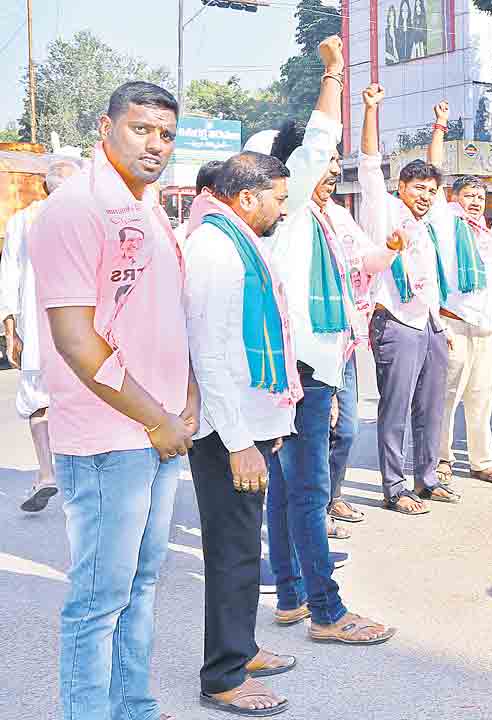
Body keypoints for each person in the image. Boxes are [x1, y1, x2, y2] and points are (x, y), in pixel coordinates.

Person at [30, 80, 197, 720]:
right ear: (106, 129)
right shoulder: (77, 208)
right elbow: (75, 338)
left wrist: (185, 398)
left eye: (166, 134)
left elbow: (163, 316)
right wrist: (157, 420)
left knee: (143, 585)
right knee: (99, 601)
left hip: (157, 431)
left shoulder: (148, 206)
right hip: (109, 439)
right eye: (141, 129)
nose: (155, 144)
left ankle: (135, 707)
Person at [263, 36, 396, 645]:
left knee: (289, 486)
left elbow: (350, 277)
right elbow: (316, 138)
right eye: (324, 164)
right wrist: (334, 76)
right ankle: (326, 610)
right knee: (308, 487)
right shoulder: (289, 210)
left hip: (314, 363)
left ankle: (291, 595)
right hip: (300, 370)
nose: (331, 170)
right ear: (294, 170)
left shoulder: (318, 217)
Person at [183, 151, 301, 716]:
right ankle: (222, 676)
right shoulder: (214, 248)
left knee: (241, 549)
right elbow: (210, 354)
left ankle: (242, 647)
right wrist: (239, 441)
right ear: (247, 197)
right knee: (231, 552)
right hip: (225, 432)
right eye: (278, 197)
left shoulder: (237, 240)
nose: (284, 209)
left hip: (245, 424)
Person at [358, 84, 459, 511]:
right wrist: (370, 110)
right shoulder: (383, 210)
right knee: (396, 410)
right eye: (418, 187)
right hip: (396, 321)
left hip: (430, 322)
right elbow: (367, 166)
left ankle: (427, 478)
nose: (425, 195)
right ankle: (395, 487)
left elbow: (435, 168)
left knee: (431, 407)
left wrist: (439, 126)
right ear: (401, 186)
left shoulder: (431, 216)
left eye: (431, 190)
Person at [1, 159, 80, 512]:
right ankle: (80, 479)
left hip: (38, 329)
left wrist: (10, 326)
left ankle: (47, 472)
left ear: (46, 188)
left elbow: (10, 274)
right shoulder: (88, 217)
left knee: (39, 402)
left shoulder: (24, 219)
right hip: (82, 332)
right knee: (81, 403)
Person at [437, 173, 492, 485]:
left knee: (481, 398)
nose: (474, 202)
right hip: (453, 321)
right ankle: (441, 459)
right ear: (455, 198)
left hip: (484, 327)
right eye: (468, 196)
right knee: (447, 397)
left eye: (479, 198)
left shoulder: (487, 235)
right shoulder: (446, 227)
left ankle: (481, 462)